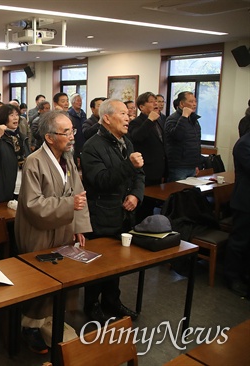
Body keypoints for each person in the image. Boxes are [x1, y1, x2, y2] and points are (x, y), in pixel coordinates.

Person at [16, 110, 92, 353]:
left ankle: (50, 320)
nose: (72, 137)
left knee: (61, 276)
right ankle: (29, 327)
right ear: (49, 137)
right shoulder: (34, 161)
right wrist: (69, 206)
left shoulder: (68, 159)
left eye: (73, 131)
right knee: (40, 280)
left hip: (63, 228)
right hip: (38, 231)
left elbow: (78, 193)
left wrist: (79, 227)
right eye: (66, 132)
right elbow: (32, 203)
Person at [80, 99, 144, 323]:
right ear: (106, 118)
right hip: (101, 215)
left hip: (123, 214)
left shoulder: (126, 141)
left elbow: (139, 175)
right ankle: (92, 305)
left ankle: (112, 301)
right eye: (123, 113)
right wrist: (129, 165)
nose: (128, 118)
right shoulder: (91, 146)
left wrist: (136, 195)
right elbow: (101, 180)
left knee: (116, 264)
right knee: (98, 264)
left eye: (128, 114)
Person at [128, 92, 166, 222]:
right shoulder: (136, 122)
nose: (155, 103)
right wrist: (149, 120)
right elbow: (137, 137)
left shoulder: (160, 120)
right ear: (141, 107)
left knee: (152, 206)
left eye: (156, 100)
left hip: (158, 169)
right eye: (151, 101)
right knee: (143, 207)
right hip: (145, 171)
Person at [224, 126, 250, 297]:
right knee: (239, 241)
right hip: (245, 201)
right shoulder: (244, 144)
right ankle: (232, 278)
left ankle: (245, 275)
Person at [0, 104, 30, 203]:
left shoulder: (22, 137)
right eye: (11, 115)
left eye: (17, 115)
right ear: (4, 118)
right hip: (3, 185)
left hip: (21, 183)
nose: (15, 118)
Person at [164, 91, 203, 182]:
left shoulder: (194, 120)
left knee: (190, 194)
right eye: (191, 101)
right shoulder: (172, 119)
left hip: (192, 165)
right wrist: (184, 116)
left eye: (195, 101)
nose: (194, 104)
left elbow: (196, 142)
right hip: (178, 166)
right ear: (181, 104)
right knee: (178, 193)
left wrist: (197, 164)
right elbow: (177, 136)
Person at [67, 93, 87, 163]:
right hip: (74, 140)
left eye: (80, 101)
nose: (80, 103)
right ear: (72, 102)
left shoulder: (83, 114)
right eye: (78, 101)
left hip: (82, 140)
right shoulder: (69, 114)